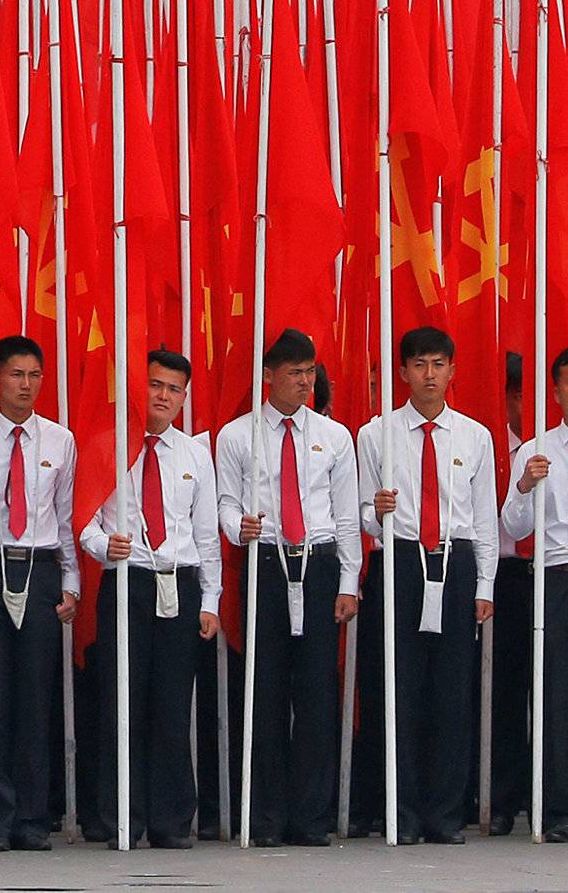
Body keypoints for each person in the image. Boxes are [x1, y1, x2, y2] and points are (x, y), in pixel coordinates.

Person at [215, 325, 362, 846]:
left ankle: (312, 816)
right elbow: (225, 504)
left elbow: (346, 516)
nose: (304, 382)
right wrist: (238, 527)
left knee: (319, 693)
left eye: (310, 372)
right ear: (268, 376)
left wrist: (349, 581)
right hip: (266, 564)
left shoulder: (333, 436)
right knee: (265, 691)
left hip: (317, 562)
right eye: (295, 373)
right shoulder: (237, 436)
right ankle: (266, 816)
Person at [355, 326, 497, 846]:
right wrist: (377, 512)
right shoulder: (376, 435)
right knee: (401, 689)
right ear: (403, 372)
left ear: (452, 370)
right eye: (419, 365)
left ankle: (444, 812)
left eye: (439, 364)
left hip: (454, 564)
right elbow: (359, 516)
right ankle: (404, 810)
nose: (429, 375)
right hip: (401, 560)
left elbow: (484, 521)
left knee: (452, 693)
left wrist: (485, 586)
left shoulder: (473, 436)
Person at [79, 347, 219, 849]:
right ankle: (122, 817)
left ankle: (171, 819)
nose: (163, 396)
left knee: (172, 705)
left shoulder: (196, 453)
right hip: (128, 580)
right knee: (123, 702)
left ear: (183, 397)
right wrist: (103, 545)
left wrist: (211, 600)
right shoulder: (107, 446)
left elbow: (205, 536)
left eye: (173, 389)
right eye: (155, 386)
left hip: (178, 584)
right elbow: (84, 525)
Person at [0, 334, 79, 853]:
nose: (26, 386)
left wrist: (71, 582)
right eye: (16, 375)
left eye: (34, 376)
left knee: (34, 700)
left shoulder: (59, 440)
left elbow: (66, 518)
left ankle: (32, 818)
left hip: (41, 567)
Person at [502, 344, 568, 839]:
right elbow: (512, 525)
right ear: (556, 392)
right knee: (557, 699)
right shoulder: (538, 450)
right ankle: (560, 811)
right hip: (558, 579)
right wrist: (526, 487)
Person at [490, 353, 532, 837]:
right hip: (503, 572)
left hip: (555, 569)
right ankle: (500, 795)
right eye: (516, 396)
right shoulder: (491, 443)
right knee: (502, 689)